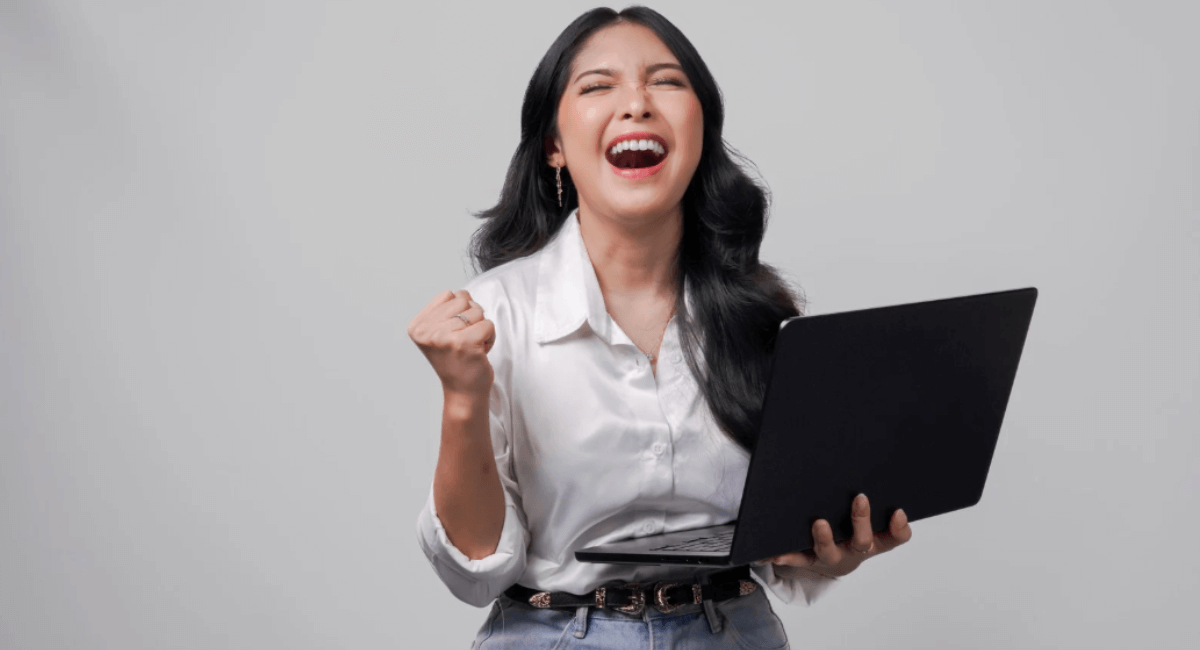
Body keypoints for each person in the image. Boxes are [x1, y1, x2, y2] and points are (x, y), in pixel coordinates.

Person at [409, 6, 913, 648]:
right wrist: (462, 399)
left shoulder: (761, 312)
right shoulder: (494, 314)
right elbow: (476, 569)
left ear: (702, 127)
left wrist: (827, 550)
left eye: (667, 82)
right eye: (597, 86)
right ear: (554, 146)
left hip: (734, 631)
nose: (637, 104)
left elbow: (782, 541)